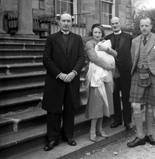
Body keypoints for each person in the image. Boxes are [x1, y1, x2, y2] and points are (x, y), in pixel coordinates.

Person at [42, 12, 86, 151]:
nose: (66, 23)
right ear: (59, 22)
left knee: (69, 108)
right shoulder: (51, 38)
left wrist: (73, 73)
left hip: (72, 80)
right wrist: (60, 74)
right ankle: (53, 138)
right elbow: (46, 59)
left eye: (68, 21)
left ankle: (69, 135)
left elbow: (81, 58)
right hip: (56, 80)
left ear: (72, 22)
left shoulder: (78, 38)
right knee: (54, 110)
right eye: (63, 21)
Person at [127, 17, 155, 148]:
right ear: (139, 27)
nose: (144, 28)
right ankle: (140, 136)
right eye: (141, 26)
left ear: (151, 26)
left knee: (150, 106)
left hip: (153, 75)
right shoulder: (134, 41)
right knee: (135, 105)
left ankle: (149, 134)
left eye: (146, 25)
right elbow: (133, 57)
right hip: (137, 74)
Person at [85, 24, 117, 142]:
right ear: (92, 33)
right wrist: (107, 66)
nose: (97, 35)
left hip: (106, 76)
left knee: (104, 101)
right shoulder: (89, 44)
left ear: (102, 34)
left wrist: (107, 49)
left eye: (99, 32)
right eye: (95, 32)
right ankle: (92, 130)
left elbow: (115, 54)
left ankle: (100, 128)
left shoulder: (105, 43)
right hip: (95, 76)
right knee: (96, 102)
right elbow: (93, 58)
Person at [105, 17, 133, 130]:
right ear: (110, 25)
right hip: (113, 71)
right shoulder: (107, 38)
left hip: (126, 71)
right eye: (112, 24)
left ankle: (127, 121)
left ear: (119, 23)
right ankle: (117, 120)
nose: (115, 25)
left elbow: (133, 53)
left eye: (116, 23)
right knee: (115, 96)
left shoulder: (129, 37)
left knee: (126, 96)